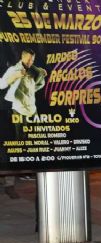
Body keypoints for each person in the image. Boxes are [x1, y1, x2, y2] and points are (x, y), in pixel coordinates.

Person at [0, 48, 47, 199]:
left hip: (20, 109)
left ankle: (13, 180)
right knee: (11, 144)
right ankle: (8, 182)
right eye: (28, 59)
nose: (30, 62)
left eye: (31, 60)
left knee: (16, 143)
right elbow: (2, 84)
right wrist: (13, 77)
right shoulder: (13, 69)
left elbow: (38, 84)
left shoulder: (33, 70)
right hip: (13, 108)